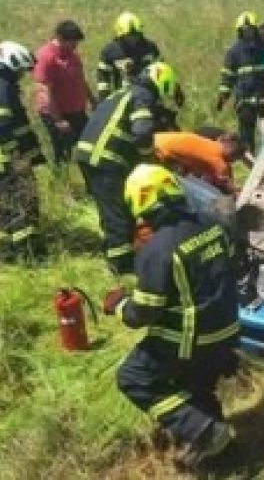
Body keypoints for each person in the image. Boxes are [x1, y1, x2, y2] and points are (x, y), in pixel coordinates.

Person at [103, 164, 239, 468]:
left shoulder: (159, 250)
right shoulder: (211, 226)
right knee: (196, 386)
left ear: (141, 204)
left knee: (134, 378)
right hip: (226, 329)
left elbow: (143, 314)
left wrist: (120, 305)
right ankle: (223, 456)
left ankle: (204, 432)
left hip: (191, 339)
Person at [75, 61, 182, 275]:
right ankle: (121, 266)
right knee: (118, 213)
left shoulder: (124, 91)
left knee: (112, 209)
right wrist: (150, 162)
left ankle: (117, 253)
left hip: (90, 155)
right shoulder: (143, 96)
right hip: (106, 159)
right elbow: (142, 132)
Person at [0, 41, 47, 259]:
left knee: (15, 204)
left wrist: (32, 154)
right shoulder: (3, 88)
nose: (21, 76)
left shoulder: (6, 87)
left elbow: (19, 126)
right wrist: (16, 156)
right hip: (6, 159)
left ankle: (18, 249)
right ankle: (25, 253)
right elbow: (5, 125)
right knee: (18, 202)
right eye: (19, 71)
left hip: (9, 157)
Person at [33, 20, 95, 163]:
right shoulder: (45, 57)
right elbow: (45, 91)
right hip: (57, 113)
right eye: (72, 43)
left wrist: (92, 99)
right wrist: (58, 119)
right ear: (60, 39)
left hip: (77, 111)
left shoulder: (73, 55)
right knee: (63, 151)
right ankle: (61, 179)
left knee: (88, 143)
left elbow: (80, 80)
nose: (75, 46)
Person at [216, 11, 264, 154]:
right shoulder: (234, 51)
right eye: (244, 31)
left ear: (255, 29)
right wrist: (223, 96)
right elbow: (227, 76)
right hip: (244, 102)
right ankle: (250, 164)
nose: (248, 33)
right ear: (239, 31)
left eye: (250, 30)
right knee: (246, 138)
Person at [154, 131, 249, 194]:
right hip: (158, 153)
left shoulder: (209, 143)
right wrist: (240, 190)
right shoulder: (220, 163)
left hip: (155, 139)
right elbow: (230, 190)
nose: (235, 162)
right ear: (234, 154)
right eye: (237, 158)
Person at [96, 11, 162, 101]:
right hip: (123, 99)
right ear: (120, 35)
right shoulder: (110, 52)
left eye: (136, 35)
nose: (133, 39)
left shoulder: (150, 48)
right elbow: (103, 76)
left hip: (149, 97)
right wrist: (103, 98)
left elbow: (162, 70)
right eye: (129, 36)